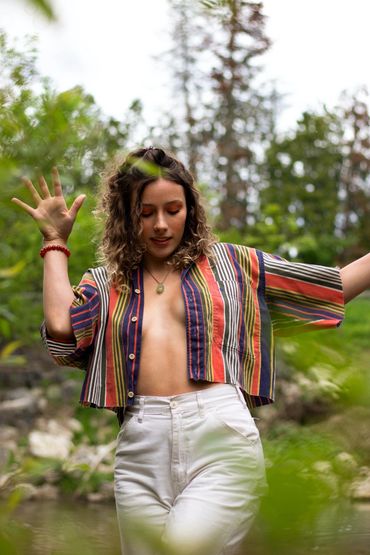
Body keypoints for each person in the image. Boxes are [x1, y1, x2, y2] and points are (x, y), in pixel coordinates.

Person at [11, 146, 370, 555]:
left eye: (173, 209)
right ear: (126, 217)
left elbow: (329, 287)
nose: (161, 225)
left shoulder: (234, 266)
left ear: (191, 210)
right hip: (140, 449)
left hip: (219, 437)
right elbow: (62, 330)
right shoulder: (105, 282)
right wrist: (55, 242)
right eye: (145, 213)